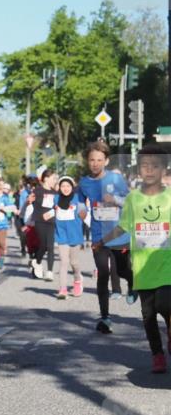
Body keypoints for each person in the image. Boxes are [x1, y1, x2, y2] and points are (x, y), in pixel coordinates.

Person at [95, 147, 171, 373]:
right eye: (145, 166)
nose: (149, 170)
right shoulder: (133, 199)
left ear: (162, 170)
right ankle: (157, 354)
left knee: (165, 303)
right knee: (148, 315)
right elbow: (123, 226)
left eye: (154, 166)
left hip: (167, 265)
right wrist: (103, 240)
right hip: (142, 267)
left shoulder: (169, 197)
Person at [79, 140, 135, 333]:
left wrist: (115, 200)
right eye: (92, 160)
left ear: (106, 161)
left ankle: (133, 283)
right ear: (87, 161)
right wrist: (81, 210)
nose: (95, 163)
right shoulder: (84, 182)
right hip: (98, 236)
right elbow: (80, 200)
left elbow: (129, 201)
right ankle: (105, 318)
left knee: (121, 271)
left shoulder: (115, 179)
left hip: (118, 234)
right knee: (103, 274)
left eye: (99, 160)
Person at [53, 175, 88, 299]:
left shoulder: (78, 199)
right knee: (64, 262)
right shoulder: (56, 199)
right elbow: (51, 212)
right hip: (61, 235)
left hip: (75, 235)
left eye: (68, 186)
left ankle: (77, 280)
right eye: (63, 186)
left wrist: (84, 212)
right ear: (59, 187)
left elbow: (84, 215)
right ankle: (63, 289)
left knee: (74, 262)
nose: (65, 188)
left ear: (72, 187)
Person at [31, 168, 58, 280]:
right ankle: (37, 262)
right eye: (53, 178)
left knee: (50, 247)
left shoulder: (56, 193)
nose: (55, 180)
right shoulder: (37, 191)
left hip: (52, 222)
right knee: (43, 245)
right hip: (40, 221)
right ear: (46, 178)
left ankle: (50, 271)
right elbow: (29, 202)